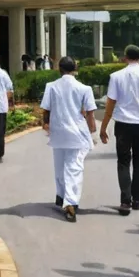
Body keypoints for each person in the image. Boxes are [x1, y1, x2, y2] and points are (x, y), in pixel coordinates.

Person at [99, 44, 139, 215]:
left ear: (125, 57)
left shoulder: (116, 76)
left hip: (123, 124)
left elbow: (110, 104)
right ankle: (137, 199)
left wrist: (103, 127)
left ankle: (125, 201)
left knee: (123, 162)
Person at [40, 56, 97, 222]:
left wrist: (45, 124)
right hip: (76, 133)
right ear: (75, 69)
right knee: (74, 167)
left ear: (59, 69)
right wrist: (92, 130)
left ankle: (61, 195)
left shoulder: (51, 87)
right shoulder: (84, 88)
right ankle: (70, 202)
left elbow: (46, 110)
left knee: (59, 164)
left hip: (58, 132)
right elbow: (90, 113)